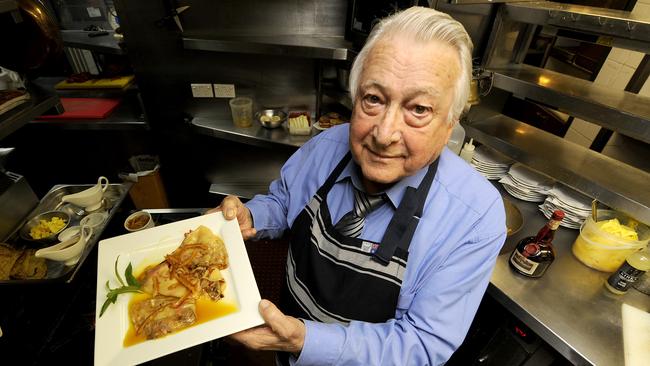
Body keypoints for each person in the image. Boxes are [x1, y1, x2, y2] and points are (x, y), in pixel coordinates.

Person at [210, 6, 506, 365]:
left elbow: (423, 345)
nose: (384, 134)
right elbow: (283, 200)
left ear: (450, 123)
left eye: (419, 110)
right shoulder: (327, 144)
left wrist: (306, 341)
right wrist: (250, 215)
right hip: (285, 347)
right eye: (374, 99)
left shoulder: (477, 217)